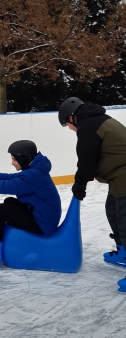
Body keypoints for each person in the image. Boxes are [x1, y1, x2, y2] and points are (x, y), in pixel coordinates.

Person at [58, 97, 126, 290]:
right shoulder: (98, 119)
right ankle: (123, 252)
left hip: (123, 176)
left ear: (72, 117)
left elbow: (87, 162)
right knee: (112, 209)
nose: (70, 129)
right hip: (119, 177)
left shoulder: (89, 125)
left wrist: (79, 187)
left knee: (124, 220)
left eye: (67, 124)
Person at [0, 140, 62, 268]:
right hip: (42, 215)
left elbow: (8, 185)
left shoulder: (33, 175)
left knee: (0, 210)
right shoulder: (34, 169)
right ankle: (4, 243)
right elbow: (10, 177)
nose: (12, 163)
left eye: (14, 159)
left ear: (23, 158)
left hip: (43, 223)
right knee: (9, 202)